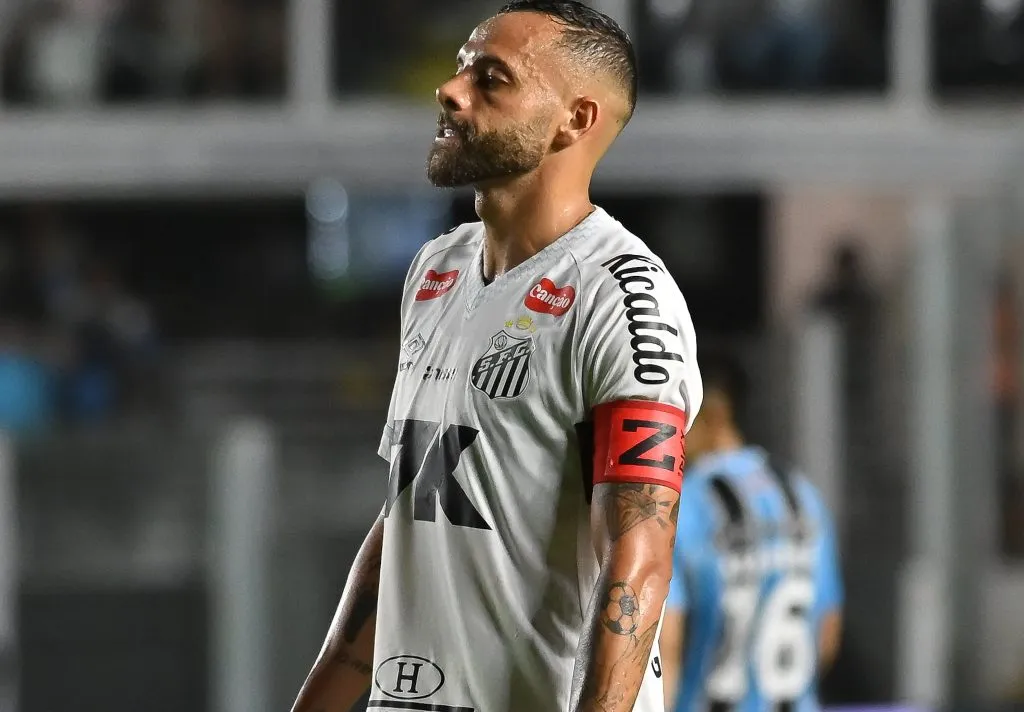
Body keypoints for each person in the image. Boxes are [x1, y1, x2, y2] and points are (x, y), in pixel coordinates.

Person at [289, 3, 703, 712]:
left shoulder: (624, 295)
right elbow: (410, 513)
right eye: (459, 69)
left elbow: (639, 554)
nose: (451, 91)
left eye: (491, 79)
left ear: (575, 120)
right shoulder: (435, 271)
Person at [659, 349, 843, 712]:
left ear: (713, 413)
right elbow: (828, 633)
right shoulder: (801, 494)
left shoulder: (687, 504)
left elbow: (668, 646)